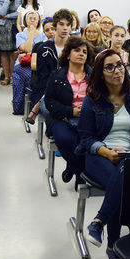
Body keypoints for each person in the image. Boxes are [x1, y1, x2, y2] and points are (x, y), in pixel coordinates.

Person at [78, 49, 130, 259]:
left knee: (124, 171)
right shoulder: (93, 98)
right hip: (99, 154)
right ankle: (113, 243)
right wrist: (106, 151)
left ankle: (99, 224)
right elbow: (85, 137)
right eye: (109, 67)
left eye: (119, 65)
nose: (117, 71)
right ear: (100, 73)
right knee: (121, 177)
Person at [44, 36, 93, 183]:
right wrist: (71, 111)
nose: (81, 54)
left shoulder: (94, 76)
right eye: (77, 50)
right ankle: (78, 171)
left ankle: (74, 168)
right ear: (68, 55)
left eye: (84, 51)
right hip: (63, 118)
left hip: (88, 119)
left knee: (86, 142)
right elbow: (49, 101)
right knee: (66, 139)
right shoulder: (57, 75)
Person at [29, 9, 73, 116]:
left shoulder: (75, 47)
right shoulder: (44, 48)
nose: (65, 28)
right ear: (55, 26)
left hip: (72, 90)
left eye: (68, 25)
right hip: (47, 92)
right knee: (51, 111)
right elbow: (43, 77)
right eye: (61, 24)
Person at [12, 11, 47, 115]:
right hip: (22, 64)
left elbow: (43, 52)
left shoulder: (42, 35)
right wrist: (31, 34)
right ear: (25, 21)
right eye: (30, 18)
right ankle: (22, 105)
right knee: (29, 77)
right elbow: (26, 48)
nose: (32, 20)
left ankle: (36, 105)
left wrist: (31, 52)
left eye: (35, 18)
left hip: (37, 64)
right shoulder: (20, 35)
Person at [25, 17, 56, 125]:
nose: (51, 32)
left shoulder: (66, 46)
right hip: (42, 79)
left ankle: (35, 109)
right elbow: (34, 65)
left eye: (53, 28)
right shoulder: (40, 46)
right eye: (47, 30)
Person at [0, 0, 23, 85]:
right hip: (2, 28)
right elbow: (1, 11)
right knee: (4, 53)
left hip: (14, 26)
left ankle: (13, 76)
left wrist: (7, 16)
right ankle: (6, 77)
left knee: (13, 53)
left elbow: (19, 13)